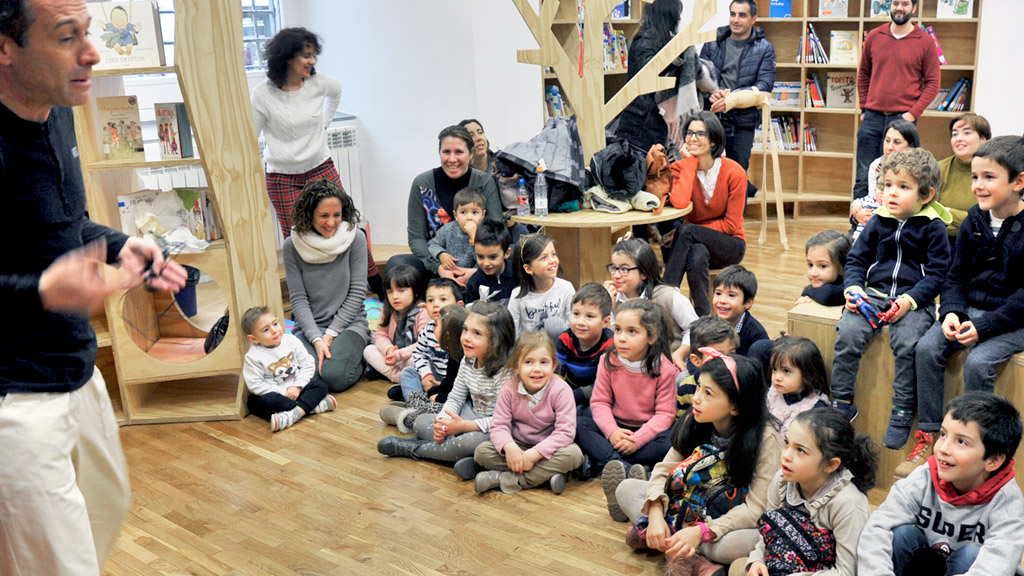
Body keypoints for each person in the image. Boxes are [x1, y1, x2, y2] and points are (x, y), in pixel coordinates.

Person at [0, 0, 186, 572]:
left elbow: (59, 221)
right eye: (65, 37)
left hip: (76, 371)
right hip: (15, 398)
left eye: (88, 32)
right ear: (5, 47)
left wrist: (116, 243)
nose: (91, 53)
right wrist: (39, 291)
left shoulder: (58, 108)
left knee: (108, 510)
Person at [906, 136, 1024, 478]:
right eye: (975, 176)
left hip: (1012, 319)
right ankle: (930, 433)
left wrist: (984, 328)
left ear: (1018, 182)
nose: (978, 186)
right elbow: (955, 276)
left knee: (979, 362)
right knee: (927, 348)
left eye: (989, 177)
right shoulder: (974, 219)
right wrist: (952, 313)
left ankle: (973, 443)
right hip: (971, 310)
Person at [614, 351, 782, 574]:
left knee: (748, 541)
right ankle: (689, 554)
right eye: (698, 387)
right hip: (688, 504)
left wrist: (703, 531)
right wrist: (655, 513)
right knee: (627, 488)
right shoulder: (695, 418)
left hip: (725, 518)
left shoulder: (766, 438)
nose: (696, 398)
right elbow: (663, 470)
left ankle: (661, 540)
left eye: (708, 393)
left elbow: (757, 509)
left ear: (735, 407)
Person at [250, 27, 383, 299]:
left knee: (347, 223)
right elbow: (251, 135)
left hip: (321, 168)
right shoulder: (263, 94)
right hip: (282, 176)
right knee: (299, 239)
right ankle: (312, 296)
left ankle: (374, 282)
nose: (312, 61)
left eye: (313, 56)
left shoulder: (320, 83)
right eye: (306, 56)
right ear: (287, 57)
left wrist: (325, 123)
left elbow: (337, 93)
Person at [830, 148, 951, 443]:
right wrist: (853, 290)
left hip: (914, 302)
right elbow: (856, 260)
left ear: (925, 195)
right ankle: (842, 403)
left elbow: (938, 275)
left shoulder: (934, 227)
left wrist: (909, 301)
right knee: (846, 333)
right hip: (872, 295)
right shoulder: (878, 220)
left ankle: (901, 410)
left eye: (903, 187)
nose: (891, 194)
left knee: (908, 343)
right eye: (887, 186)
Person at [857, 392, 1024, 576]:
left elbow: (998, 564)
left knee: (971, 555)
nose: (943, 448)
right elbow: (878, 527)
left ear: (993, 460)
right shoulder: (924, 477)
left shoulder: (1007, 501)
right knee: (901, 535)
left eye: (961, 442)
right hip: (928, 564)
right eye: (943, 434)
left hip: (971, 570)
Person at [377, 301, 515, 477]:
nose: (465, 337)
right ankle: (455, 455)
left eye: (477, 333)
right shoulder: (467, 360)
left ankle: (416, 449)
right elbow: (456, 398)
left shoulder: (506, 374)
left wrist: (463, 427)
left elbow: (504, 419)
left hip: (496, 428)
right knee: (421, 423)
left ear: (497, 340)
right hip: (469, 414)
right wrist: (442, 422)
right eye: (465, 329)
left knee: (471, 443)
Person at [575, 299, 679, 518]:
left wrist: (637, 440)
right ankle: (626, 468)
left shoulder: (665, 369)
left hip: (646, 432)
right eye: (618, 330)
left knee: (672, 440)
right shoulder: (608, 360)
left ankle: (606, 463)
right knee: (580, 421)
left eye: (632, 331)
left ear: (651, 337)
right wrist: (612, 433)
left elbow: (665, 414)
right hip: (615, 426)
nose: (621, 337)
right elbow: (599, 402)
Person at [745, 407, 877, 576]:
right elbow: (769, 535)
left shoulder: (848, 503)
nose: (786, 455)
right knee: (739, 566)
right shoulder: (781, 481)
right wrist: (757, 560)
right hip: (781, 565)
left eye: (800, 450)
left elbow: (847, 572)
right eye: (787, 443)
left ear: (831, 465)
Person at [284, 178, 370, 393]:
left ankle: (362, 355)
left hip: (349, 325)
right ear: (309, 214)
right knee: (305, 375)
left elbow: (358, 292)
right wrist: (315, 338)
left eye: (337, 215)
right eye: (324, 216)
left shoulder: (356, 238)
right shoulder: (292, 245)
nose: (331, 223)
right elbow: (298, 299)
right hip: (310, 328)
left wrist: (330, 334)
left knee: (334, 376)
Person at [472, 332, 584, 495]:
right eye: (529, 362)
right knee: (482, 452)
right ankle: (548, 476)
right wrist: (509, 447)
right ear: (516, 366)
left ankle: (505, 479)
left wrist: (534, 454)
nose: (537, 369)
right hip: (519, 445)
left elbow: (565, 433)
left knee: (574, 455)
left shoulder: (561, 390)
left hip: (549, 450)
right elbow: (498, 426)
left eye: (544, 362)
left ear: (553, 366)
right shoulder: (509, 389)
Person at [853, 0, 940, 200]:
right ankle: (858, 224)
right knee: (863, 175)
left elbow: (933, 83)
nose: (899, 8)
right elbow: (863, 74)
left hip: (903, 121)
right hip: (872, 117)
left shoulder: (925, 41)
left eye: (905, 3)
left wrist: (912, 114)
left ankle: (894, 224)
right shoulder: (875, 36)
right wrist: (864, 108)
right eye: (895, 3)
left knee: (902, 176)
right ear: (890, 6)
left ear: (914, 8)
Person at [662, 112, 748, 315]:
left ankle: (663, 296)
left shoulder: (734, 172)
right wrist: (690, 164)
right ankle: (703, 316)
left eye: (700, 133)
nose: (693, 138)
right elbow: (680, 203)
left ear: (713, 140)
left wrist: (689, 232)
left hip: (730, 245)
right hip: (695, 244)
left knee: (686, 232)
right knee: (697, 253)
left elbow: (731, 226)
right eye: (690, 133)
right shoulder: (680, 169)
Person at [404, 125, 503, 284]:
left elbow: (497, 229)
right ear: (439, 153)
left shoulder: (484, 182)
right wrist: (438, 267)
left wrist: (477, 270)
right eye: (446, 152)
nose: (452, 159)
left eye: (459, 152)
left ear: (471, 154)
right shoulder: (422, 183)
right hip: (435, 266)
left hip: (480, 266)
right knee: (399, 264)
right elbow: (416, 238)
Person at [700, 0, 776, 197]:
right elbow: (699, 78)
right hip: (712, 118)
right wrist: (712, 94)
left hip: (742, 121)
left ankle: (735, 226)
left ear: (753, 19)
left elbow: (764, 87)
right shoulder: (712, 42)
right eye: (733, 14)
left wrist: (732, 98)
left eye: (742, 15)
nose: (736, 19)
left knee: (737, 174)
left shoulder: (764, 48)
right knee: (707, 174)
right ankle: (710, 225)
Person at [604, 237, 698, 371]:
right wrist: (607, 307)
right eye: (614, 268)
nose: (616, 275)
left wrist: (680, 353)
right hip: (631, 369)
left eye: (624, 269)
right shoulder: (613, 298)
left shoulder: (667, 296)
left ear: (643, 273)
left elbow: (696, 329)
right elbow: (613, 340)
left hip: (669, 368)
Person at [241, 306, 336, 432]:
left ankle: (294, 414)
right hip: (279, 395)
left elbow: (307, 363)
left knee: (321, 385)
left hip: (299, 389)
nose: (274, 330)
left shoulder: (291, 340)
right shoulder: (253, 356)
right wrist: (284, 391)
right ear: (254, 339)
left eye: (275, 324)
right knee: (254, 403)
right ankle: (310, 407)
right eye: (266, 330)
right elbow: (255, 384)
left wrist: (297, 386)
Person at [380, 302, 468, 433]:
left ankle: (413, 415)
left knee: (444, 409)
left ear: (448, 334)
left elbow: (459, 394)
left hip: (453, 401)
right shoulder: (452, 352)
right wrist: (434, 388)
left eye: (438, 326)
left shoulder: (460, 359)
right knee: (408, 372)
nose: (434, 328)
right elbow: (448, 384)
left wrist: (437, 397)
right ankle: (419, 407)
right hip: (441, 387)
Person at [614, 0, 683, 154]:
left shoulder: (661, 41)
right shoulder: (644, 43)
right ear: (665, 14)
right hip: (640, 124)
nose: (678, 18)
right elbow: (652, 79)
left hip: (649, 122)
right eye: (676, 12)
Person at [387, 278, 462, 411]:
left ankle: (423, 400)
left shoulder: (462, 331)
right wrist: (427, 375)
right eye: (430, 300)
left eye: (443, 299)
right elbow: (419, 354)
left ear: (459, 305)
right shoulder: (428, 330)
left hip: (457, 383)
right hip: (437, 376)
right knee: (408, 372)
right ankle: (417, 404)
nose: (435, 304)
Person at [850, 120, 920, 242]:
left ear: (911, 146)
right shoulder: (876, 165)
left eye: (896, 142)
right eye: (887, 141)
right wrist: (859, 214)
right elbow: (872, 197)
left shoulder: (919, 168)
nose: (889, 147)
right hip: (878, 213)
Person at [362, 264, 428, 383]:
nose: (395, 297)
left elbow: (424, 343)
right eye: (390, 292)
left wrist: (400, 355)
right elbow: (381, 335)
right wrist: (389, 350)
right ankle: (396, 376)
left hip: (410, 356)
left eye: (401, 291)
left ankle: (392, 373)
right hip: (395, 358)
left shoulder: (423, 311)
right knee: (369, 350)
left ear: (415, 291)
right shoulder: (387, 309)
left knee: (416, 360)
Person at [556, 282, 615, 406]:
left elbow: (604, 385)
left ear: (605, 322)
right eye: (576, 314)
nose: (581, 322)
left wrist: (571, 399)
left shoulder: (610, 344)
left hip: (600, 399)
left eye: (589, 316)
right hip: (568, 396)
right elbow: (557, 375)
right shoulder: (565, 339)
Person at [507, 233, 575, 339]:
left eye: (553, 254)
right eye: (544, 258)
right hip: (529, 350)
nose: (552, 261)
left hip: (559, 349)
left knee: (554, 325)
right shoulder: (517, 296)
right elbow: (512, 335)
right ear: (528, 269)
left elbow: (573, 327)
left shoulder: (566, 288)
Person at [939, 113, 991, 238]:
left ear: (983, 139)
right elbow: (929, 213)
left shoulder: (993, 171)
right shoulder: (938, 169)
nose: (959, 138)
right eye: (955, 134)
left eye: (967, 133)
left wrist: (947, 212)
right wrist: (967, 218)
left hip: (980, 242)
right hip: (941, 240)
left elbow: (987, 221)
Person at [675, 315, 738, 415]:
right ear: (696, 360)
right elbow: (683, 424)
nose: (725, 361)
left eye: (731, 354)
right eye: (716, 356)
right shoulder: (687, 388)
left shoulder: (739, 386)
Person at [766, 337, 829, 436]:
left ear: (808, 374)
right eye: (774, 369)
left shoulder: (816, 409)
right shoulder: (770, 394)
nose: (777, 377)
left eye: (786, 371)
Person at [713, 265, 769, 356]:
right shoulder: (707, 327)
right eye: (718, 293)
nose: (722, 300)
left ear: (748, 303)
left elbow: (759, 368)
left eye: (731, 295)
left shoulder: (757, 335)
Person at [427, 187, 486, 271]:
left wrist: (474, 238)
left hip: (474, 275)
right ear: (456, 215)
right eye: (463, 212)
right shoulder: (448, 229)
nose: (469, 217)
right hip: (449, 273)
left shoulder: (485, 233)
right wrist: (441, 254)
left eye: (475, 212)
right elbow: (432, 244)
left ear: (482, 215)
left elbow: (484, 259)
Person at [463, 219, 515, 306]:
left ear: (507, 253)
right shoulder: (475, 282)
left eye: (493, 257)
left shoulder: (518, 274)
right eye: (480, 257)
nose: (486, 263)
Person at [796, 230, 852, 307]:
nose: (813, 273)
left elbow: (829, 295)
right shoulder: (819, 287)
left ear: (841, 265)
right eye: (810, 264)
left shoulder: (850, 286)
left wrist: (807, 291)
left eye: (823, 266)